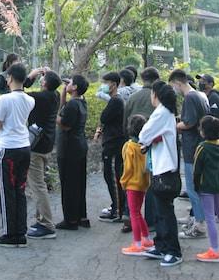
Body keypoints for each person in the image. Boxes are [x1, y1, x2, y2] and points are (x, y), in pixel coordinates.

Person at [137, 80, 182, 267]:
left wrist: (147, 140)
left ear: (156, 94)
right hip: (163, 169)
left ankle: (173, 251)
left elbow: (143, 135)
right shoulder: (167, 112)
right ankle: (162, 246)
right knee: (160, 212)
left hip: (165, 171)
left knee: (165, 213)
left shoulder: (161, 112)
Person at [0, 62, 35, 247]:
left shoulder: (4, 100)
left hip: (7, 149)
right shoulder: (30, 99)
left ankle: (10, 234)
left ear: (9, 78)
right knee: (19, 190)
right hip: (24, 147)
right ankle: (20, 231)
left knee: (6, 191)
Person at [169, 68, 208, 239]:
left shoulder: (190, 97)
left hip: (192, 148)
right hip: (198, 147)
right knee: (197, 188)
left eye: (173, 86)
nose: (174, 90)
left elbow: (189, 122)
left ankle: (199, 224)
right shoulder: (199, 95)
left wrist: (171, 126)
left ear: (178, 83)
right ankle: (196, 219)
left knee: (193, 189)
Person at [193, 115, 219, 263]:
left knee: (210, 217)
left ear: (204, 131)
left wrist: (196, 187)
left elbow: (196, 170)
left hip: (206, 188)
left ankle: (214, 250)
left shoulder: (202, 148)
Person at [25, 68, 62, 239]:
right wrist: (46, 75)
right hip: (46, 144)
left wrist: (31, 76)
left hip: (37, 147)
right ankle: (41, 220)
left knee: (37, 185)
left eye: (42, 79)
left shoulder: (41, 97)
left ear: (45, 83)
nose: (40, 80)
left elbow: (18, 90)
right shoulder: (54, 96)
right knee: (40, 183)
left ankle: (46, 224)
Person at [123, 66, 160, 232]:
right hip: (153, 145)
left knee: (131, 181)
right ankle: (150, 221)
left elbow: (124, 121)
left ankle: (129, 216)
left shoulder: (132, 98)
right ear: (156, 80)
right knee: (149, 181)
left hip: (133, 142)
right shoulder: (158, 98)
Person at [56, 74, 90, 230]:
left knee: (68, 185)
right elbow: (65, 111)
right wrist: (63, 93)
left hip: (69, 149)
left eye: (69, 83)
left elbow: (64, 124)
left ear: (75, 87)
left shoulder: (72, 105)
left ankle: (70, 220)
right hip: (80, 146)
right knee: (79, 183)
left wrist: (52, 115)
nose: (67, 84)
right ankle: (81, 216)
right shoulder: (81, 102)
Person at [120, 114, 154, 256]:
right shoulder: (145, 146)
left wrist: (123, 181)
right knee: (138, 212)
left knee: (133, 213)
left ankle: (137, 243)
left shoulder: (129, 146)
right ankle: (146, 239)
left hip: (132, 184)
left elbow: (127, 168)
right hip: (144, 183)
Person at [94, 72, 126, 222]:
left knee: (114, 176)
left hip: (114, 144)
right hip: (112, 142)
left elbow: (104, 117)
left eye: (105, 82)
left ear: (113, 84)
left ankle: (118, 210)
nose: (103, 85)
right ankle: (116, 206)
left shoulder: (116, 101)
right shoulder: (115, 100)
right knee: (112, 175)